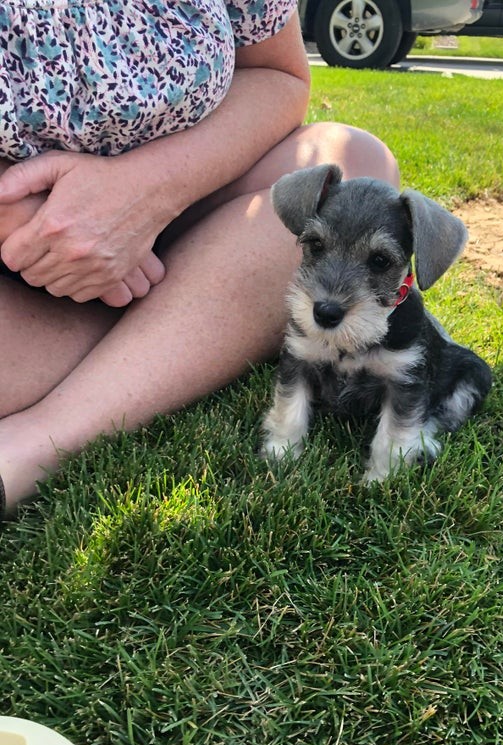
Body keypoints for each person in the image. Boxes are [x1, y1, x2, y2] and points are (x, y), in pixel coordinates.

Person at [0, 0, 399, 519]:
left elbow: (277, 74)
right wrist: (25, 218)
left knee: (350, 165)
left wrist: (145, 193)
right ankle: (178, 329)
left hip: (191, 202)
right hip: (18, 253)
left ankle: (35, 443)